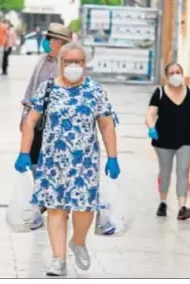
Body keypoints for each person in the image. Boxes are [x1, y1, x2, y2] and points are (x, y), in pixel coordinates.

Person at [14, 42, 120, 277]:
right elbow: (31, 121)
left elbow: (106, 124)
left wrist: (113, 157)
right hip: (53, 162)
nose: (74, 66)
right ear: (61, 63)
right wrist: (24, 151)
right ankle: (58, 259)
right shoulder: (47, 89)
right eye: (69, 61)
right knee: (56, 210)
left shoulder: (95, 90)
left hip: (85, 164)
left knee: (84, 210)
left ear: (85, 64)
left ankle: (78, 242)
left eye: (78, 62)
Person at [145, 62, 190, 221]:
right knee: (165, 172)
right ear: (167, 76)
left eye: (179, 72)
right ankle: (163, 203)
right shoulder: (160, 93)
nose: (176, 75)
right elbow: (150, 113)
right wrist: (151, 127)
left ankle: (182, 207)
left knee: (183, 171)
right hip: (163, 139)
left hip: (186, 139)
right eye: (172, 73)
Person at [20, 22, 72, 229]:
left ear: (60, 43)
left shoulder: (68, 66)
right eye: (48, 39)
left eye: (51, 39)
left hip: (58, 125)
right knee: (34, 159)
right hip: (37, 121)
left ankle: (58, 202)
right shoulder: (42, 61)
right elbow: (31, 87)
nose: (47, 42)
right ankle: (42, 196)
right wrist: (24, 115)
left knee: (58, 163)